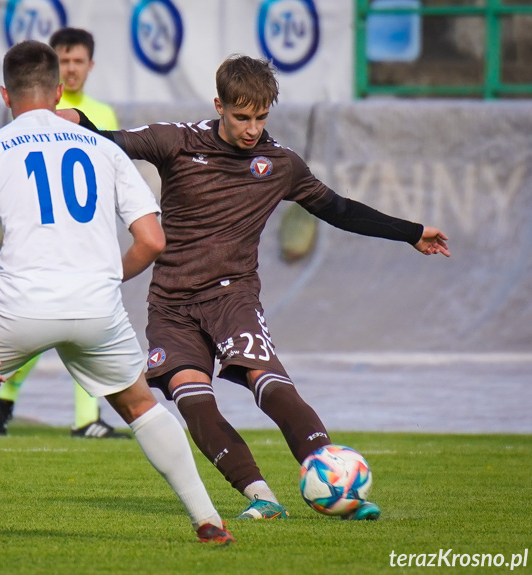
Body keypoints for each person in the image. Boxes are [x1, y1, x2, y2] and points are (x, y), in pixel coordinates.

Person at [65, 54, 451, 521]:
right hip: (170, 303)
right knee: (193, 400)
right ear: (219, 105)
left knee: (268, 382)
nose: (252, 128)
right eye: (242, 116)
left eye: (262, 116)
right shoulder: (177, 141)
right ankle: (262, 498)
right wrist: (70, 118)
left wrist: (411, 232)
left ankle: (335, 479)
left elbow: (341, 210)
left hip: (233, 296)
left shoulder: (281, 164)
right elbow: (108, 143)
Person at [0, 40, 234, 544]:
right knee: (139, 405)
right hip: (96, 307)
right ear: (58, 92)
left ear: (5, 94)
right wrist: (105, 278)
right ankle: (209, 522)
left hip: (20, 304)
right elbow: (153, 240)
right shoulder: (103, 147)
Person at [0, 28, 124, 439]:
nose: (73, 68)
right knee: (42, 331)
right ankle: (4, 401)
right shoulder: (30, 115)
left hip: (85, 238)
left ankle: (85, 419)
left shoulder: (103, 113)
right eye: (65, 61)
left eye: (79, 61)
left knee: (81, 331)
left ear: (90, 66)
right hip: (43, 238)